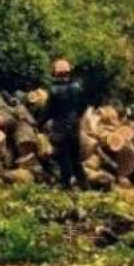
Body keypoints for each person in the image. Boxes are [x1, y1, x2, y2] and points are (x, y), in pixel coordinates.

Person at [45, 58, 89, 190]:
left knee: (63, 156)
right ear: (68, 73)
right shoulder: (78, 88)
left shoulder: (54, 90)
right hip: (74, 126)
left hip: (60, 127)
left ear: (56, 73)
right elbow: (84, 105)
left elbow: (49, 111)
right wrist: (77, 117)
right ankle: (83, 183)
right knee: (75, 157)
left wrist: (40, 123)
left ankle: (66, 183)